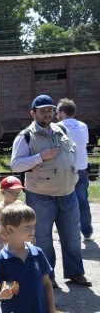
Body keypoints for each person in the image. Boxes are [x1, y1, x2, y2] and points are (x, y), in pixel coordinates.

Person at [10, 94, 90, 288]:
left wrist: (75, 176)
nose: (47, 113)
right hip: (40, 196)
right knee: (43, 239)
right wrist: (39, 157)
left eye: (50, 110)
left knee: (72, 236)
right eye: (43, 110)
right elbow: (15, 165)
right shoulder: (25, 136)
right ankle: (48, 277)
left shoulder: (61, 129)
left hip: (67, 193)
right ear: (33, 113)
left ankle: (75, 273)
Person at [56, 98, 92, 241]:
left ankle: (68, 232)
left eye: (57, 112)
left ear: (63, 113)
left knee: (65, 202)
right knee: (83, 200)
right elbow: (84, 143)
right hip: (82, 167)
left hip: (65, 170)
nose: (56, 115)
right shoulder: (83, 125)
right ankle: (87, 231)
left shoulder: (56, 126)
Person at [0, 176, 25, 253]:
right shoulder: (0, 208)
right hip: (4, 242)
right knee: (3, 261)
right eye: (12, 192)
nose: (16, 195)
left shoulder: (21, 205)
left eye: (18, 193)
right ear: (3, 192)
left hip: (18, 240)